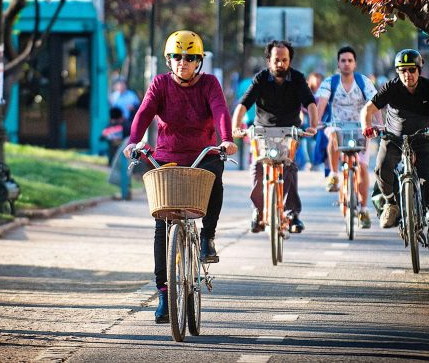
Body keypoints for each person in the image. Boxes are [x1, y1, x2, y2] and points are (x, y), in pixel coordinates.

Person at [122, 30, 236, 324]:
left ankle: (208, 236)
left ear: (198, 61)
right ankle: (163, 294)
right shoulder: (160, 83)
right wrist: (133, 142)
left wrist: (226, 139)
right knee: (162, 223)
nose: (182, 62)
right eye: (176, 57)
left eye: (189, 57)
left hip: (203, 154)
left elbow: (221, 110)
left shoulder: (210, 83)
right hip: (167, 157)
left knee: (217, 174)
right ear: (168, 60)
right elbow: (144, 113)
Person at [360, 49, 429, 250]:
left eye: (411, 70)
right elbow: (367, 110)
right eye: (402, 70)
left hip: (423, 138)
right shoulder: (391, 87)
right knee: (382, 168)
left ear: (419, 70)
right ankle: (391, 204)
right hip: (393, 139)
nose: (407, 75)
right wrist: (366, 127)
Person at [231, 40, 318, 234]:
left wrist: (313, 126)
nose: (280, 64)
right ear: (269, 61)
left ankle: (292, 214)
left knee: (290, 167)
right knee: (258, 167)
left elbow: (310, 103)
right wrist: (235, 127)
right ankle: (258, 211)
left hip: (290, 132)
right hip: (263, 131)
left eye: (284, 60)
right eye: (276, 60)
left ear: (290, 61)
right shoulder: (261, 79)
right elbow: (243, 104)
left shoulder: (297, 78)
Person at [315, 46, 378, 228]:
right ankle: (334, 174)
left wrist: (378, 124)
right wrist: (316, 123)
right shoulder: (330, 82)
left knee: (363, 168)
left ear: (355, 63)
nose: (346, 63)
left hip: (361, 129)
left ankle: (364, 210)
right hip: (337, 126)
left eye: (350, 60)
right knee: (333, 133)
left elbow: (375, 104)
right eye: (343, 60)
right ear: (338, 63)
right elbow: (322, 103)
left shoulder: (363, 82)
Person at [298, 72, 324, 170]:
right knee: (306, 140)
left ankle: (317, 161)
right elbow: (301, 105)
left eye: (319, 79)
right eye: (315, 79)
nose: (317, 81)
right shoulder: (306, 90)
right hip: (306, 118)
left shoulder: (322, 92)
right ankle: (309, 162)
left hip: (318, 119)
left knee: (317, 140)